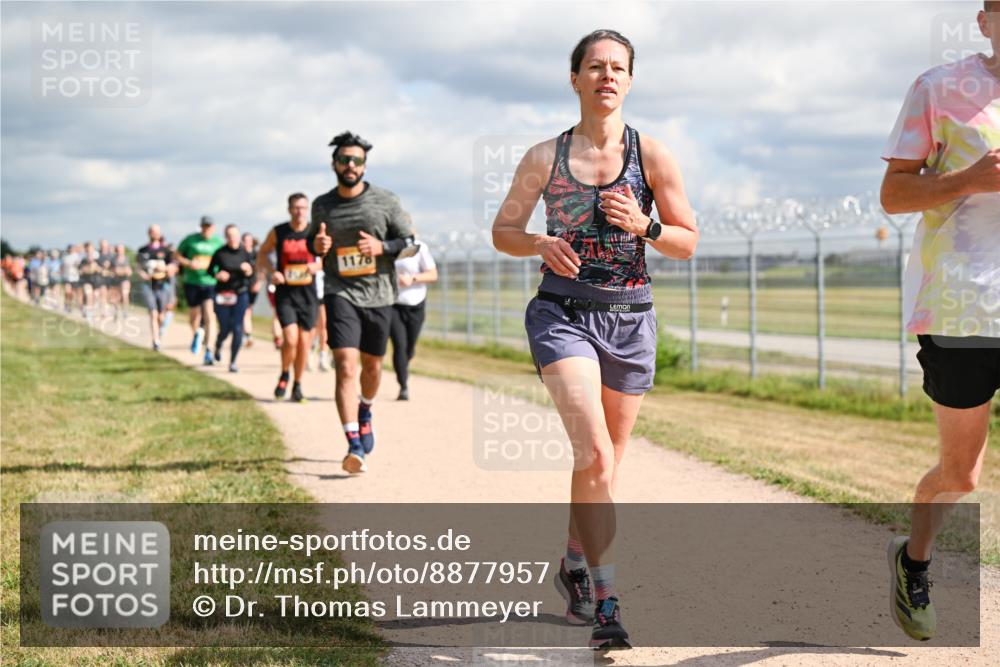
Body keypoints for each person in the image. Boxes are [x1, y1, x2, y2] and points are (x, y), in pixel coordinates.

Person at [491, 30, 697, 650]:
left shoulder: (651, 155)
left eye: (618, 67)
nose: (607, 75)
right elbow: (503, 230)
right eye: (595, 66)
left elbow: (687, 241)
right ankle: (608, 602)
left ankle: (574, 562)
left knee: (604, 465)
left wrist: (646, 225)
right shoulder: (544, 157)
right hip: (562, 315)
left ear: (629, 81)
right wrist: (538, 242)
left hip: (630, 320)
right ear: (575, 78)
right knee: (597, 456)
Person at [879, 1, 1000, 642]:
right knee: (961, 474)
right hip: (962, 306)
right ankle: (914, 558)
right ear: (985, 20)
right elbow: (894, 194)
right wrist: (969, 179)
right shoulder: (940, 87)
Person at [307, 131, 417, 474]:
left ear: (364, 166)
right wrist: (317, 247)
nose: (350, 165)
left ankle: (365, 409)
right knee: (345, 364)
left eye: (356, 160)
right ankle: (353, 442)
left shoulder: (385, 201)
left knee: (372, 367)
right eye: (344, 160)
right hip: (339, 291)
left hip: (379, 295)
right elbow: (313, 242)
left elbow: (411, 243)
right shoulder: (322, 205)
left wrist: (382, 248)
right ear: (334, 164)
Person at [258, 193, 323, 401]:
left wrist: (317, 266)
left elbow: (329, 256)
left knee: (304, 343)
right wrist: (272, 272)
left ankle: (297, 384)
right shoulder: (279, 232)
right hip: (286, 293)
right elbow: (262, 254)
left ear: (307, 210)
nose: (299, 212)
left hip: (308, 295)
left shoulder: (314, 232)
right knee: (290, 339)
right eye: (295, 208)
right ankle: (285, 372)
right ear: (289, 210)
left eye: (303, 208)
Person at [390, 238, 437, 400]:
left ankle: (404, 364)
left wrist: (412, 279)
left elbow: (433, 274)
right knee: (399, 346)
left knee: (409, 349)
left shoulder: (420, 247)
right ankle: (403, 386)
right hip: (393, 304)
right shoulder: (388, 245)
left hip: (416, 304)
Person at [176, 216, 224, 365]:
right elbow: (177, 255)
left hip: (210, 282)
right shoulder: (190, 240)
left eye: (209, 226)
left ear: (213, 228)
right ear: (201, 227)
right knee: (194, 317)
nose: (206, 229)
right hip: (192, 281)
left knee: (210, 314)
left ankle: (209, 350)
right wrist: (188, 263)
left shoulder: (218, 242)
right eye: (204, 226)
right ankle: (197, 333)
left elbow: (224, 259)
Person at [209, 224, 255, 372]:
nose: (232, 238)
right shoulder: (220, 253)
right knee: (225, 328)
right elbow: (210, 271)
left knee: (237, 327)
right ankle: (218, 345)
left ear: (238, 236)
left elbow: (252, 272)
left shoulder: (245, 252)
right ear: (225, 237)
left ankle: (233, 362)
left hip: (240, 293)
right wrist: (218, 275)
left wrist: (248, 271)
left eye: (234, 235)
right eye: (229, 235)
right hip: (223, 294)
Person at [136, 225, 175, 351]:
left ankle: (159, 330)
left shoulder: (166, 250)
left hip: (163, 285)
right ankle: (156, 341)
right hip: (148, 285)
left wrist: (164, 268)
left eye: (156, 232)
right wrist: (142, 274)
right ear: (149, 233)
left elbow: (173, 267)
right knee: (153, 314)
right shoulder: (143, 250)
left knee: (161, 316)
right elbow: (138, 267)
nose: (154, 234)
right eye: (152, 232)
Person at [242, 233, 260, 348]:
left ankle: (246, 334)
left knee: (248, 310)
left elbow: (261, 270)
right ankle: (247, 335)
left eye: (248, 240)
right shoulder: (239, 253)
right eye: (244, 240)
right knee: (245, 311)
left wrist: (258, 283)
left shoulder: (256, 254)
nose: (246, 242)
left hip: (253, 286)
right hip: (241, 285)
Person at [111, 243, 132, 321]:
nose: (120, 251)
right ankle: (116, 312)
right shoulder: (113, 259)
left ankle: (125, 311)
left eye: (121, 249)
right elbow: (114, 270)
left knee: (125, 294)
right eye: (118, 250)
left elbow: (129, 271)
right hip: (115, 280)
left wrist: (121, 271)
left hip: (125, 279)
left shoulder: (127, 258)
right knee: (116, 297)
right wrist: (121, 271)